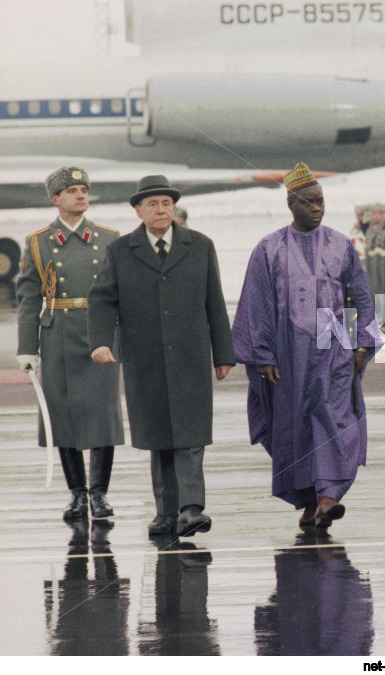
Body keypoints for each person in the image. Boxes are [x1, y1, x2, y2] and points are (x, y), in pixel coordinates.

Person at [232, 163, 383, 530]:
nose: (318, 208)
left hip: (334, 349)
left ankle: (329, 494)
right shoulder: (268, 249)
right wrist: (263, 355)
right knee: (293, 426)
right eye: (310, 202)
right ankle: (309, 500)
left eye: (322, 201)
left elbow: (359, 297)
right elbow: (257, 304)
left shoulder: (341, 245)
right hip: (287, 355)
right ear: (291, 204)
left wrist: (361, 343)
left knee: (333, 417)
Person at [88, 175, 235, 537]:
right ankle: (166, 512)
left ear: (174, 208)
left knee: (190, 433)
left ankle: (191, 508)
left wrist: (224, 352)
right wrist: (101, 342)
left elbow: (215, 302)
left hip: (191, 355)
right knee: (159, 437)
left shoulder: (200, 246)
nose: (161, 210)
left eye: (166, 203)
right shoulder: (121, 251)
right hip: (145, 357)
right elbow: (102, 300)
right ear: (138, 210)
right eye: (152, 204)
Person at [16, 167, 124, 522]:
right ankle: (77, 494)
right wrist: (27, 348)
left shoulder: (109, 239)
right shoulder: (39, 242)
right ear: (55, 199)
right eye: (72, 190)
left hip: (100, 333)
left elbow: (121, 295)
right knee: (62, 415)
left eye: (83, 189)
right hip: (58, 332)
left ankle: (100, 493)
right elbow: (30, 298)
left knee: (103, 413)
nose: (81, 195)